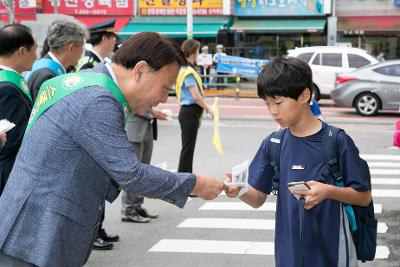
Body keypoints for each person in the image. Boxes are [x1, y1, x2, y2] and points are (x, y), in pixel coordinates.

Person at [0, 32, 224, 267]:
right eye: (165, 88)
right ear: (140, 71)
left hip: (28, 224)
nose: (164, 99)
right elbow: (131, 175)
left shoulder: (88, 81)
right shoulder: (98, 100)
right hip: (36, 236)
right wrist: (196, 184)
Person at [225, 56, 372, 267]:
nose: (273, 111)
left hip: (332, 254)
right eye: (267, 104)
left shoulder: (337, 141)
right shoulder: (273, 143)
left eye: (278, 102)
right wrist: (237, 189)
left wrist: (328, 192)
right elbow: (257, 198)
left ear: (304, 95)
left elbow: (364, 197)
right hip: (288, 256)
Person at [73, 18, 120, 250]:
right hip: (90, 137)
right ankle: (91, 233)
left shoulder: (97, 61)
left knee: (99, 188)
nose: (115, 42)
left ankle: (97, 230)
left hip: (95, 135)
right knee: (92, 189)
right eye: (113, 38)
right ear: (105, 38)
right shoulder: (88, 63)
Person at [0, 24, 36, 196]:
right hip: (9, 177)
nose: (36, 57)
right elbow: (12, 142)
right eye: (34, 50)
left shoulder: (8, 80)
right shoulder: (8, 88)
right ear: (22, 51)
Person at [121, 107, 166, 223]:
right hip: (135, 128)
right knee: (133, 172)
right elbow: (132, 105)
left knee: (144, 171)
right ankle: (128, 209)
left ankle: (137, 205)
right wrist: (152, 111)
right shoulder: (132, 88)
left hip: (147, 127)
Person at [176, 39, 213, 174]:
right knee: (187, 149)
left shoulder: (184, 68)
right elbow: (196, 96)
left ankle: (185, 181)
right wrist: (208, 108)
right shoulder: (188, 71)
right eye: (198, 51)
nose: (198, 54)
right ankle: (184, 182)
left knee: (187, 149)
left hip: (188, 112)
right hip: (189, 112)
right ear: (193, 52)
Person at [27, 20, 86, 102]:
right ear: (71, 47)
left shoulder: (43, 66)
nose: (82, 52)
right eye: (81, 47)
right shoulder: (47, 76)